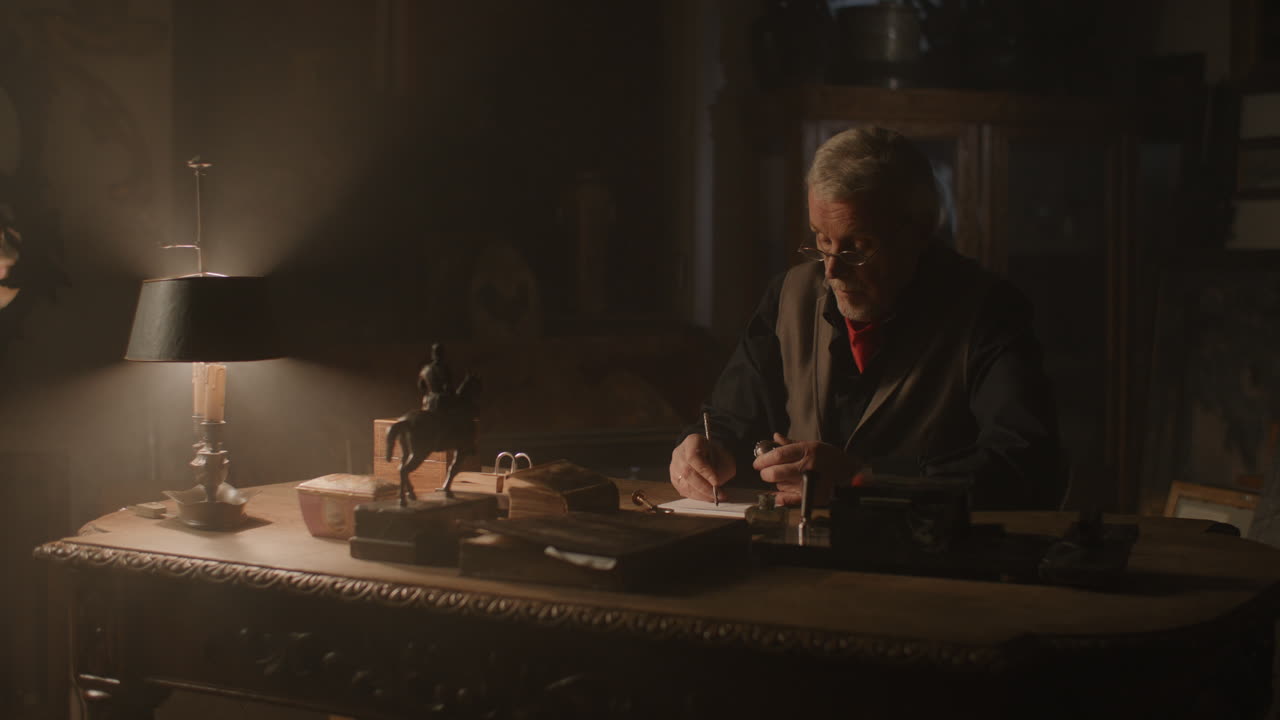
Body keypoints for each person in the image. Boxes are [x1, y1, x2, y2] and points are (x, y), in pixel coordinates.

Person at [669, 127, 1063, 510]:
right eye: (822, 240)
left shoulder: (988, 311)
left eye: (858, 247)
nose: (832, 271)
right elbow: (727, 418)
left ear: (920, 232)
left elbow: (1027, 467)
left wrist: (866, 480)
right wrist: (703, 451)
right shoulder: (788, 296)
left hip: (930, 562)